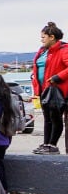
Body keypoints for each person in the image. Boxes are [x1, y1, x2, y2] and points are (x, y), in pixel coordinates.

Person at [31, 21, 68, 155]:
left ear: (52, 37)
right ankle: (46, 143)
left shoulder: (63, 50)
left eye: (43, 37)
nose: (41, 40)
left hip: (57, 91)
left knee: (55, 118)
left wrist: (58, 77)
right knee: (47, 118)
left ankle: (52, 145)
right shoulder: (42, 51)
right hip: (45, 90)